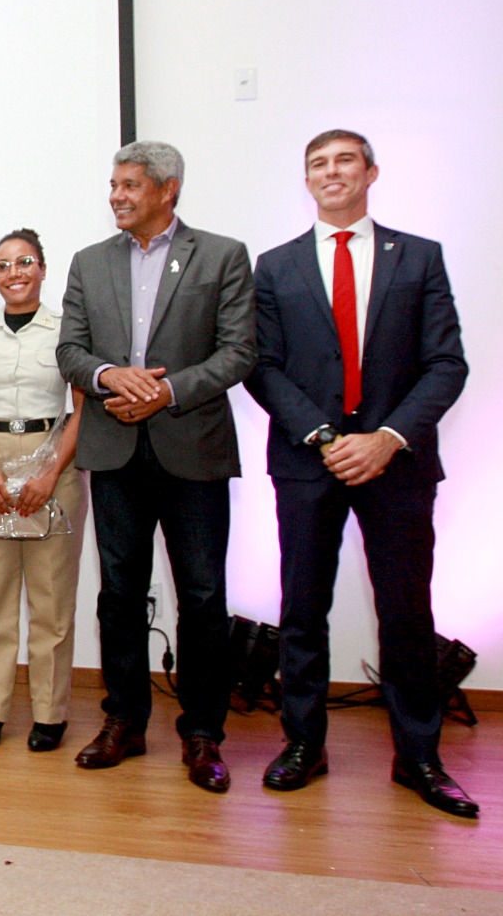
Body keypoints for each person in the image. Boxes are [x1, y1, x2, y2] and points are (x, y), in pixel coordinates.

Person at [246, 131, 475, 817]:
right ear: (307, 181)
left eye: (344, 160)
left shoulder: (420, 258)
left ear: (371, 172)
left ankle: (419, 758)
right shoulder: (276, 266)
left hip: (397, 465)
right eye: (318, 163)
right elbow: (263, 366)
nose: (331, 171)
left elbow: (447, 364)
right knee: (301, 610)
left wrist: (386, 438)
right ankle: (303, 745)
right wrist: (325, 437)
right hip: (308, 463)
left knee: (406, 613)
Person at [56, 141, 256, 792]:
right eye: (113, 184)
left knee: (201, 597)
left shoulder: (222, 256)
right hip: (114, 449)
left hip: (191, 447)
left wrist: (164, 391)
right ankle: (124, 723)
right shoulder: (90, 263)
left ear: (168, 190)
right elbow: (71, 351)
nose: (116, 195)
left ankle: (203, 734)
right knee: (119, 595)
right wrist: (113, 376)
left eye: (130, 185)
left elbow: (238, 353)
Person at [0, 230, 87, 752]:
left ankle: (50, 714)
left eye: (25, 262)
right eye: (4, 265)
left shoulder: (68, 330)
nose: (15, 273)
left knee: (52, 601)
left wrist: (51, 472)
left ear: (43, 269)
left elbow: (83, 406)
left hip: (53, 464)